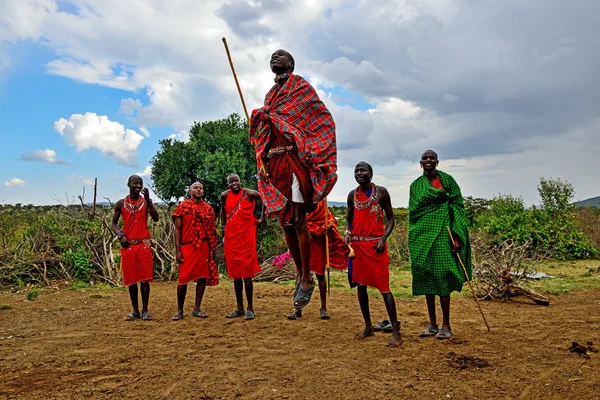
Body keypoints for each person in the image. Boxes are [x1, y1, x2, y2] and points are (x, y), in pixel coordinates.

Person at [249, 49, 337, 310]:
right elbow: (267, 127)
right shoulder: (270, 95)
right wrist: (261, 143)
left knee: (299, 220)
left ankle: (307, 278)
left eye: (281, 55)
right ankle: (300, 272)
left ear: (292, 63)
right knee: (284, 222)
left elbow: (321, 121)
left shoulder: (301, 88)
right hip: (275, 163)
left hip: (294, 160)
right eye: (272, 56)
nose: (275, 57)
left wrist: (272, 117)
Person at [408, 150, 472, 340]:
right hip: (422, 236)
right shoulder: (416, 186)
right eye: (425, 158)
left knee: (443, 276)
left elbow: (458, 207)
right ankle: (432, 325)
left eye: (432, 158)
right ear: (420, 163)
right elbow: (414, 213)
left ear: (437, 161)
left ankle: (446, 325)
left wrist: (457, 236)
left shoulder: (448, 181)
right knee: (427, 276)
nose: (428, 160)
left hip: (445, 234)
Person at [345, 162, 402, 347]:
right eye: (356, 171)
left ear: (371, 173)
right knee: (361, 287)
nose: (359, 173)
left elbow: (391, 219)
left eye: (363, 170)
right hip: (358, 248)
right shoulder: (351, 195)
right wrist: (347, 232)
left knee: (384, 287)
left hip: (376, 247)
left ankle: (396, 331)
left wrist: (383, 239)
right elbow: (348, 220)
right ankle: (368, 327)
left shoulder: (382, 192)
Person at [288, 200, 349, 320]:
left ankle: (323, 308)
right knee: (300, 274)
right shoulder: (301, 201)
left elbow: (331, 220)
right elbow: (297, 222)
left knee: (320, 275)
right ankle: (297, 309)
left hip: (318, 243)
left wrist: (328, 227)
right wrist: (307, 230)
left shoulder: (322, 203)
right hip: (303, 243)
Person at [111, 175, 159, 321]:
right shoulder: (120, 204)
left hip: (143, 244)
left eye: (140, 183)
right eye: (135, 183)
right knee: (131, 280)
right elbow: (114, 223)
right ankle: (135, 311)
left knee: (144, 279)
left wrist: (149, 200)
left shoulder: (145, 203)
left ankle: (145, 311)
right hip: (128, 245)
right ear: (128, 184)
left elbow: (156, 218)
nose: (137, 186)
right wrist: (120, 235)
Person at [171, 182, 219, 321]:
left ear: (203, 192)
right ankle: (179, 310)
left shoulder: (208, 209)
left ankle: (197, 308)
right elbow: (177, 230)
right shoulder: (183, 207)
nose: (198, 190)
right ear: (190, 191)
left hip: (203, 246)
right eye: (195, 188)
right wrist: (178, 250)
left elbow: (212, 231)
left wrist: (211, 249)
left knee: (203, 277)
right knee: (183, 279)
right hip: (187, 246)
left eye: (201, 188)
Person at [220, 173, 264, 320]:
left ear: (240, 181)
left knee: (247, 275)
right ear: (228, 184)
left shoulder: (249, 193)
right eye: (231, 181)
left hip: (246, 237)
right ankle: (239, 308)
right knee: (236, 275)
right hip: (231, 237)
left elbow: (265, 199)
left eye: (236, 180)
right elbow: (222, 211)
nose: (234, 183)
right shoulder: (224, 196)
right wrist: (222, 228)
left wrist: (262, 218)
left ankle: (250, 308)